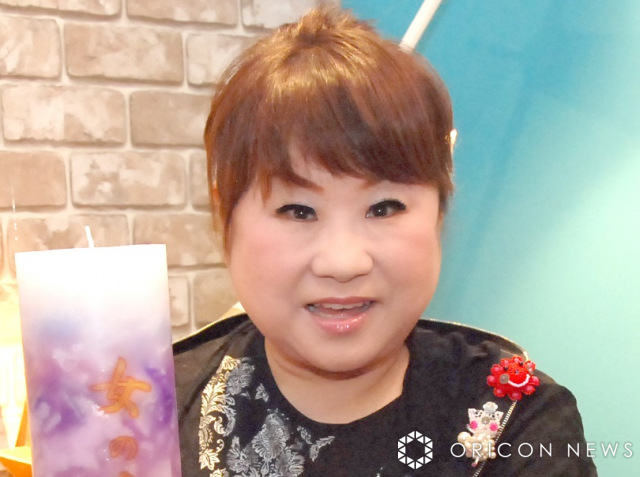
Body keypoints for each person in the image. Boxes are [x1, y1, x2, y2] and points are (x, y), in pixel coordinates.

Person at [174, 7, 597, 476]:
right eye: (298, 211)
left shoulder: (518, 422)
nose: (343, 262)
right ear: (225, 220)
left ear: (439, 213)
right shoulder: (150, 409)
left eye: (384, 208)